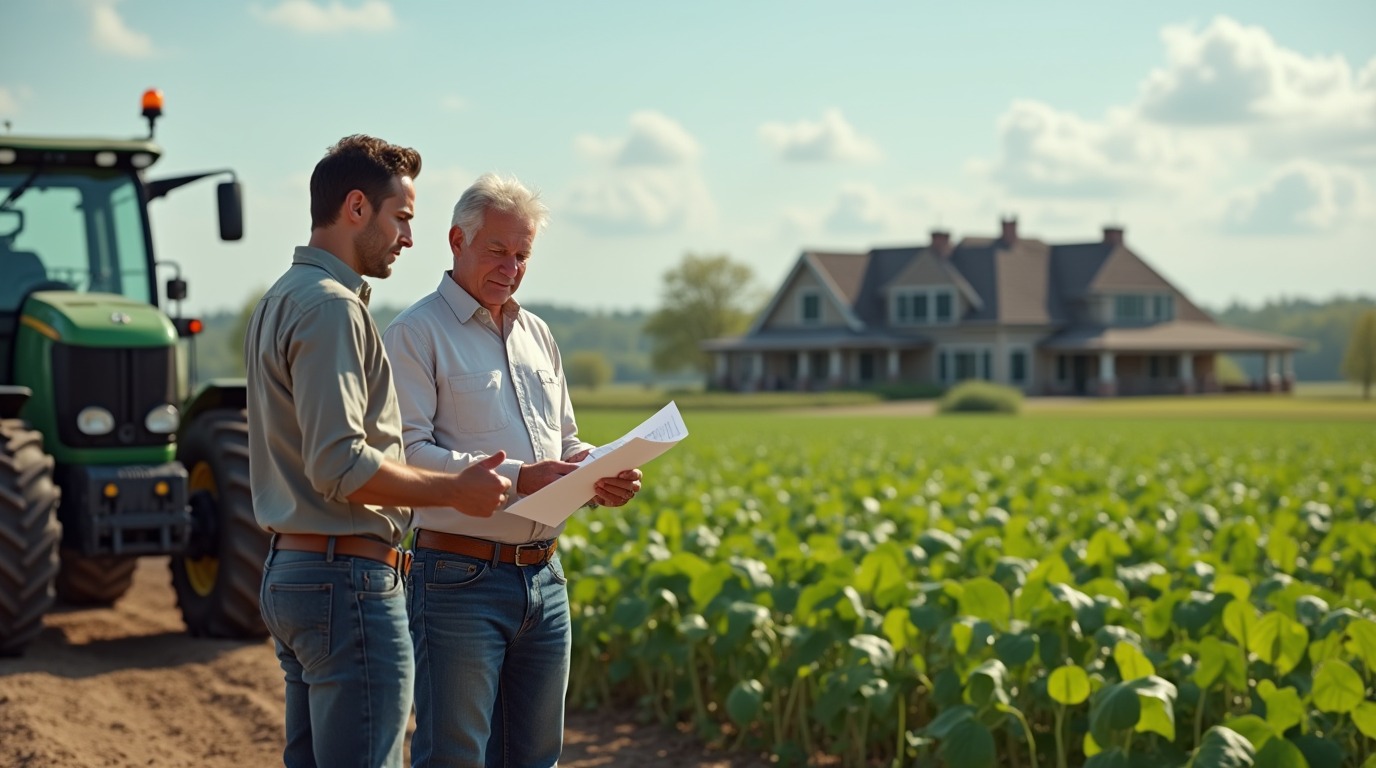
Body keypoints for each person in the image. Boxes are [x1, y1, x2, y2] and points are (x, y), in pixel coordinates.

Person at [244, 135, 513, 768]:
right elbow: (339, 465)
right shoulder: (331, 309)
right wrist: (453, 489)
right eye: (403, 218)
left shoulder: (280, 298)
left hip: (295, 572)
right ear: (357, 208)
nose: (409, 238)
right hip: (348, 579)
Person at [383, 173, 643, 767]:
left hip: (546, 580)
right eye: (498, 249)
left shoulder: (539, 334)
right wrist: (523, 477)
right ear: (456, 239)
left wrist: (600, 473)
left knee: (534, 758)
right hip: (456, 579)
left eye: (522, 254)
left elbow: (569, 440)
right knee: (454, 757)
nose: (512, 266)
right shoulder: (416, 333)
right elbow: (406, 456)